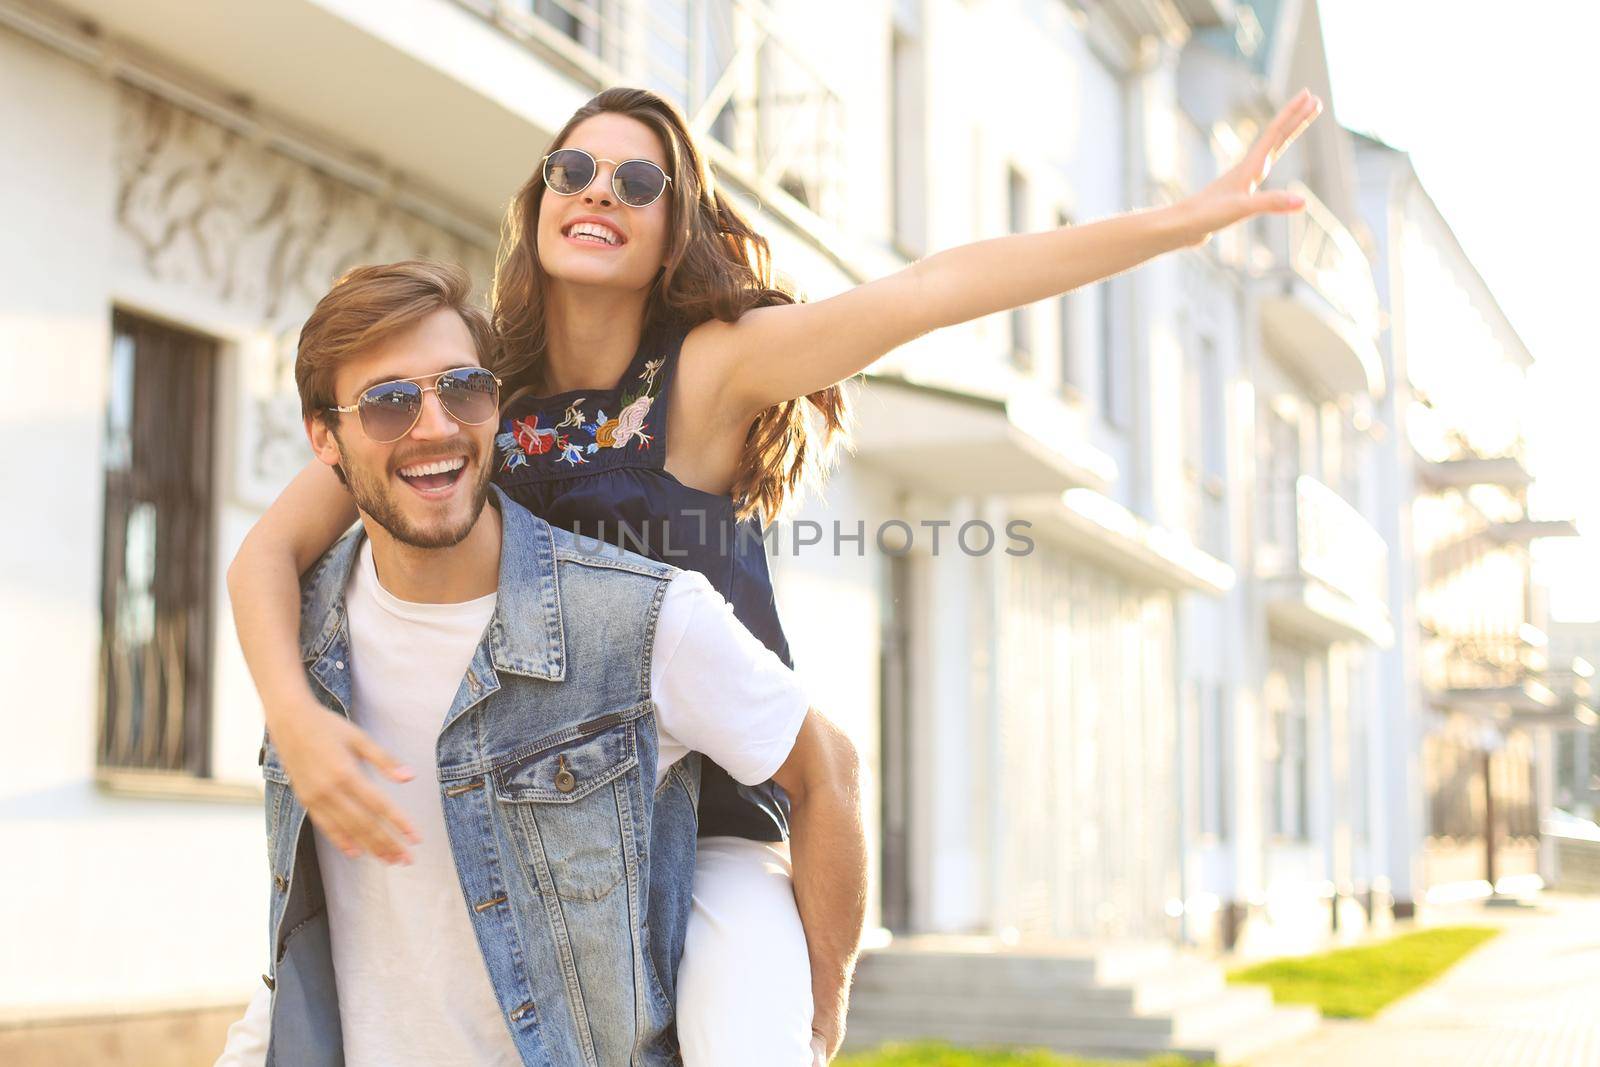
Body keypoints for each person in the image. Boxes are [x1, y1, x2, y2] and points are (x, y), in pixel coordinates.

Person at [226, 85, 1323, 1062]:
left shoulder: (709, 372)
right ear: (540, 200)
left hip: (701, 818)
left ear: (670, 232)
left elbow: (934, 290)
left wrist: (1186, 218)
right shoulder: (470, 396)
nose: (596, 188)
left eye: (636, 178)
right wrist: (300, 720)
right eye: (573, 168)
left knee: (746, 1036)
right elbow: (268, 554)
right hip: (539, 818)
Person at [215, 260, 864, 1066]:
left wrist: (822, 1003)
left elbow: (826, 767)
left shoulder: (637, 619)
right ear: (325, 440)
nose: (434, 426)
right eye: (388, 403)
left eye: (461, 388)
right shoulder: (302, 633)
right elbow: (308, 936)